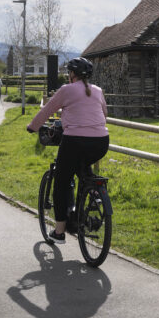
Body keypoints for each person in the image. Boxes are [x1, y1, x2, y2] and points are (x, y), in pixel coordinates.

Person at [26, 57, 109, 245]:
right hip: (101, 143)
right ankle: (94, 195)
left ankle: (60, 231)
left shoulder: (66, 90)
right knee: (83, 169)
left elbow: (47, 110)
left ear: (72, 74)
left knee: (61, 183)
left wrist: (33, 126)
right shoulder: (97, 90)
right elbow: (104, 114)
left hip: (74, 141)